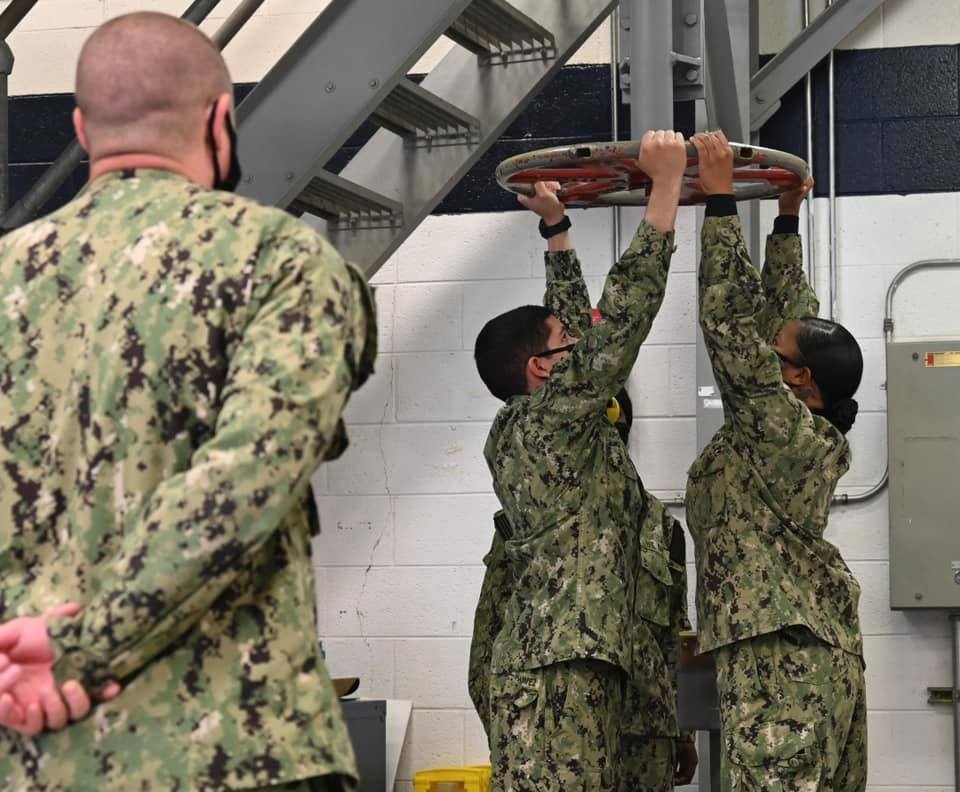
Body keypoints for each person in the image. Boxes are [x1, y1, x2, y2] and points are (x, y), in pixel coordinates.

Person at [0, 12, 375, 791]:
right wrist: (86, 649)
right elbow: (244, 480)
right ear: (220, 117)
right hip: (237, 752)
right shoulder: (279, 259)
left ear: (79, 126)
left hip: (37, 757)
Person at [473, 130, 697, 792]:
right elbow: (619, 324)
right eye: (570, 346)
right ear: (543, 370)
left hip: (594, 666)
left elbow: (574, 327)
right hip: (552, 673)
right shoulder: (546, 424)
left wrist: (557, 229)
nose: (585, 343)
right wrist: (663, 189)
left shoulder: (560, 421)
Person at [685, 130, 866, 791]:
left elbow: (729, 327)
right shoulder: (800, 418)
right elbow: (795, 317)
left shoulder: (778, 430)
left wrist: (721, 200)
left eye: (777, 353)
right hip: (805, 650)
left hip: (780, 661)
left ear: (797, 380)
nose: (768, 347)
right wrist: (786, 216)